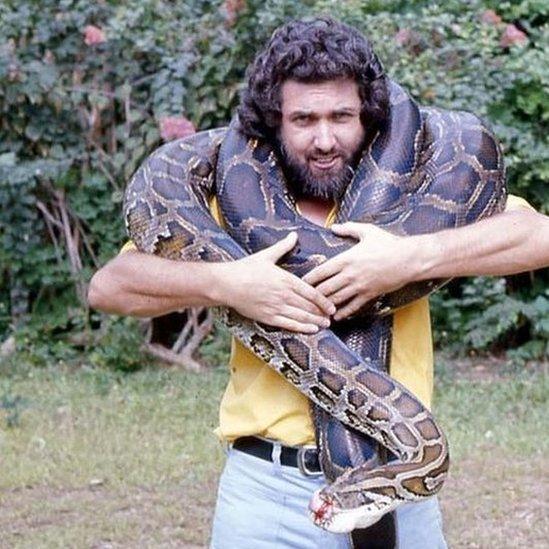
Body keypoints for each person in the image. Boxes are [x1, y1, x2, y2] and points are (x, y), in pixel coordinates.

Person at [88, 17, 546, 549]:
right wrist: (228, 283)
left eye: (341, 117)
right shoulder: (228, 199)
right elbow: (110, 287)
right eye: (304, 119)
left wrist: (407, 259)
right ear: (275, 122)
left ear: (370, 116)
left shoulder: (417, 191)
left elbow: (538, 237)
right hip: (268, 494)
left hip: (399, 480)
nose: (325, 139)